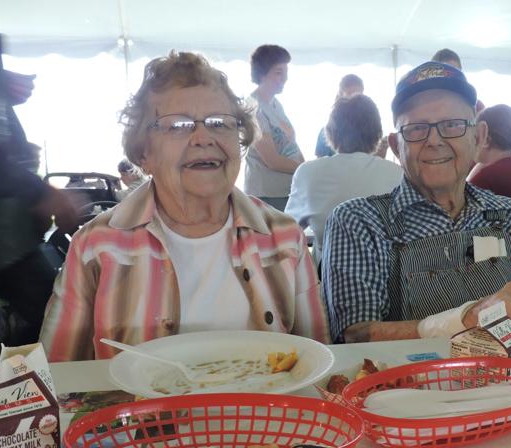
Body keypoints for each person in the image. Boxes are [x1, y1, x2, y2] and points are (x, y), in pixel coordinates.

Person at [40, 51, 329, 361]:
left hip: (262, 411)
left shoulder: (285, 237)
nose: (203, 137)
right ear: (143, 154)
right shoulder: (96, 246)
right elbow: (57, 376)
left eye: (220, 123)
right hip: (138, 410)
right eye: (177, 125)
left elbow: (318, 363)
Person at [322, 61, 511, 344]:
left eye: (452, 125)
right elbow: (353, 335)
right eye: (416, 129)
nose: (434, 140)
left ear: (479, 138)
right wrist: (466, 319)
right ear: (396, 147)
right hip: (409, 385)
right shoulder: (359, 221)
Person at [0, 27, 78, 353]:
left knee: (54, 315)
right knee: (52, 317)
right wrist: (37, 189)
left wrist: (17, 151)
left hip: (4, 220)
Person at [285, 94, 402, 263]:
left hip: (325, 281)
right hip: (386, 280)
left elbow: (287, 231)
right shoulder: (396, 174)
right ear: (378, 134)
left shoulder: (307, 173)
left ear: (330, 133)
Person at [244, 45, 304, 211]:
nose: (284, 78)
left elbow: (291, 145)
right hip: (267, 194)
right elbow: (272, 160)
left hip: (286, 191)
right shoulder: (253, 107)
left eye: (285, 72)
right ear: (262, 74)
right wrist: (306, 170)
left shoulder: (276, 105)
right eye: (278, 72)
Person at [315, 74, 365, 158]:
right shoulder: (325, 133)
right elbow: (319, 165)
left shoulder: (370, 132)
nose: (354, 103)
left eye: (358, 97)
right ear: (339, 98)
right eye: (350, 97)